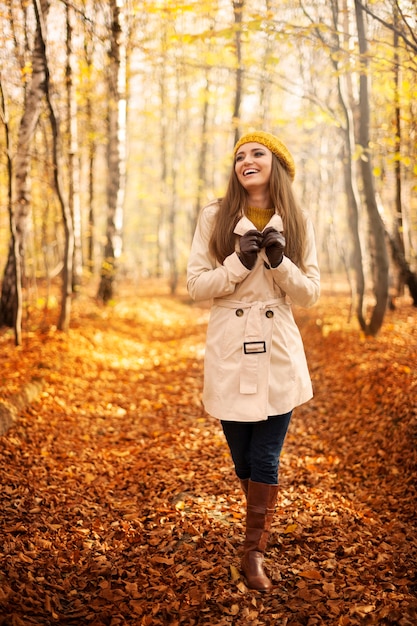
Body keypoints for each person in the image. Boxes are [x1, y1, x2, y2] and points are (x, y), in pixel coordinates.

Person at [186, 131, 320, 591]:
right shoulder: (214, 216)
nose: (246, 159)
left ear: (276, 163)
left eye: (257, 153)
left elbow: (311, 294)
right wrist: (236, 265)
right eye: (240, 155)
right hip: (229, 345)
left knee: (266, 455)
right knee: (242, 457)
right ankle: (258, 523)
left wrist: (281, 263)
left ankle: (253, 552)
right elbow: (197, 286)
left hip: (277, 346)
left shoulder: (298, 219)